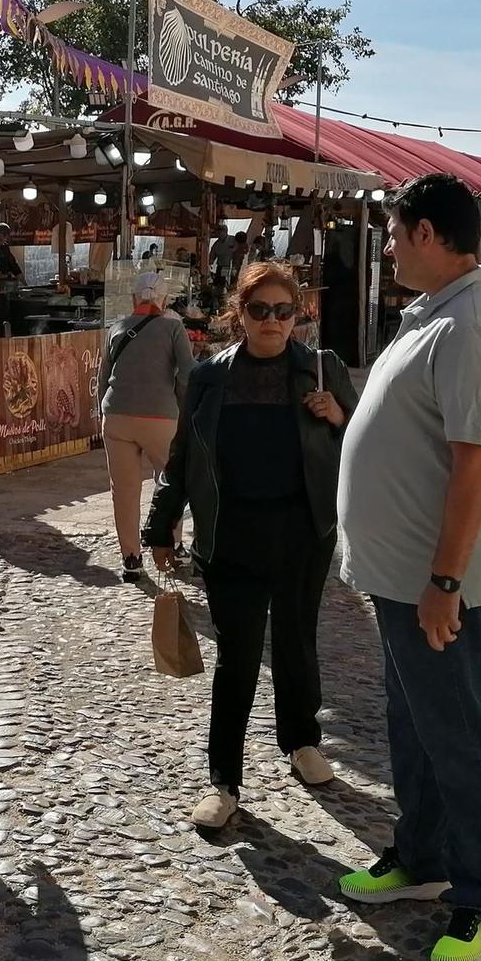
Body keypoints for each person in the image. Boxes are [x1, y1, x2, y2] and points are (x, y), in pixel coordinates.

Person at [334, 173, 481, 961]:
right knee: (413, 724)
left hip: (437, 581)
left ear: (425, 233)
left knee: (459, 734)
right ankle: (422, 856)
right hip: (406, 574)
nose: (384, 245)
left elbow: (473, 464)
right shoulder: (441, 314)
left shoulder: (471, 325)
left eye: (392, 230)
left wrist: (445, 581)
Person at [145, 260, 360, 832]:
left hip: (302, 534)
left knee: (296, 643)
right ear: (239, 314)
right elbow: (183, 456)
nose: (272, 321)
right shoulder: (211, 377)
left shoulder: (321, 369)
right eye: (260, 309)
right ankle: (225, 780)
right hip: (229, 537)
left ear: (298, 316)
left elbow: (366, 440)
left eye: (283, 311)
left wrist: (338, 415)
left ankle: (302, 741)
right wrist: (161, 523)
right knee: (236, 659)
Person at [96, 269, 196, 583]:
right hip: (161, 417)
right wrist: (183, 409)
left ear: (134, 299)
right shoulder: (173, 327)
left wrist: (105, 412)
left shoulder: (117, 327)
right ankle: (173, 544)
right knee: (169, 483)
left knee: (123, 490)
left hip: (117, 416)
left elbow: (103, 377)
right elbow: (186, 373)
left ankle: (131, 558)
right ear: (164, 299)